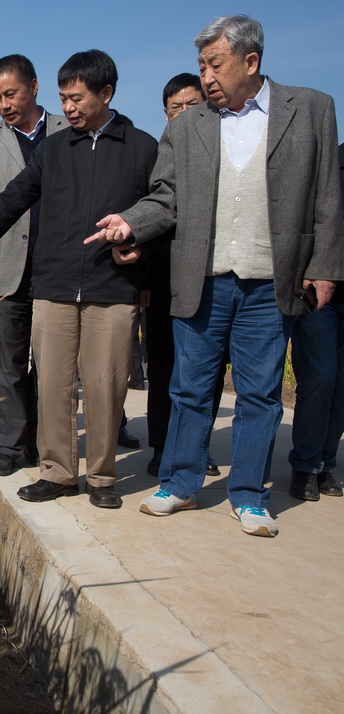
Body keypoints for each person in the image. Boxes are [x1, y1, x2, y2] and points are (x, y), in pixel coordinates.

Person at [87, 15, 344, 537]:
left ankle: (248, 494)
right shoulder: (188, 126)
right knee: (189, 389)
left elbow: (327, 199)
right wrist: (130, 223)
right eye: (201, 65)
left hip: (271, 284)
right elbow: (166, 198)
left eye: (215, 64)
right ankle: (180, 484)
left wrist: (325, 268)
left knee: (261, 395)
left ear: (251, 61)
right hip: (203, 281)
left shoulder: (312, 109)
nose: (205, 76)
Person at [0, 50, 158, 509]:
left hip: (112, 286)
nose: (69, 108)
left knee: (105, 384)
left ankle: (101, 476)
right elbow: (7, 202)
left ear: (106, 93)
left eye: (77, 98)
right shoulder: (55, 150)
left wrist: (140, 242)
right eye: (64, 98)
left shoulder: (142, 147)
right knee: (52, 383)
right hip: (53, 285)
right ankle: (57, 473)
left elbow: (161, 208)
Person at [0, 54, 69, 477]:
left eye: (11, 94)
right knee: (6, 361)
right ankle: (6, 444)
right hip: (5, 268)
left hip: (57, 266)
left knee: (51, 364)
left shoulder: (68, 131)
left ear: (34, 87)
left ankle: (43, 441)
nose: (4, 104)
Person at [143, 73, 223, 478]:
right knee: (162, 367)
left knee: (206, 371)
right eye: (177, 107)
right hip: (160, 282)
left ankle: (196, 447)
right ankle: (161, 447)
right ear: (166, 112)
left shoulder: (217, 151)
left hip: (208, 281)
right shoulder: (155, 152)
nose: (186, 113)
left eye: (194, 105)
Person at [287, 141, 344, 502]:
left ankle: (326, 460)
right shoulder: (331, 165)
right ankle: (305, 465)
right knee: (319, 379)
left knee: (341, 387)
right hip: (321, 294)